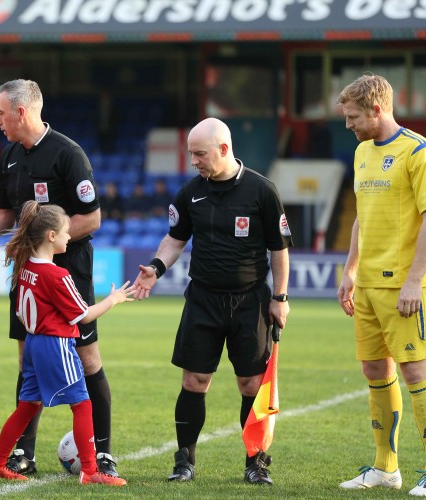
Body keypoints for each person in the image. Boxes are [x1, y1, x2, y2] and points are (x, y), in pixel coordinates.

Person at [0, 79, 119, 477]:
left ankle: (101, 453)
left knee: (87, 357)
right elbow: (3, 216)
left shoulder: (69, 154)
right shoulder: (10, 157)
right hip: (27, 274)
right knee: (27, 358)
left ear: (21, 112)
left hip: (67, 269)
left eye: (1, 113)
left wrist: (44, 241)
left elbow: (93, 217)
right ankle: (24, 453)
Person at [132, 117, 292, 486]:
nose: (193, 161)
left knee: (251, 385)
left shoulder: (262, 191)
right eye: (191, 154)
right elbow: (175, 239)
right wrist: (156, 268)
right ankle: (184, 461)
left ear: (224, 149)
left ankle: (256, 461)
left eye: (199, 154)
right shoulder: (190, 193)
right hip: (202, 298)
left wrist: (280, 297)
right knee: (195, 380)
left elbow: (279, 250)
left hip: (251, 300)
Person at [0, 201, 132, 487]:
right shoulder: (57, 275)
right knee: (83, 404)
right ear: (51, 236)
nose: (68, 235)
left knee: (27, 407)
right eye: (65, 231)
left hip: (33, 344)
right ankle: (90, 470)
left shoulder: (25, 267)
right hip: (55, 345)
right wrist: (113, 300)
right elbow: (83, 316)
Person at [336, 75, 426, 495]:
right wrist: (350, 271)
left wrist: (414, 281)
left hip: (404, 287)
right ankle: (385, 468)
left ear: (376, 109)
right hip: (368, 285)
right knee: (375, 369)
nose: (348, 125)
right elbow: (360, 217)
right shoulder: (360, 153)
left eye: (353, 117)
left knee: (415, 371)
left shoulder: (417, 151)